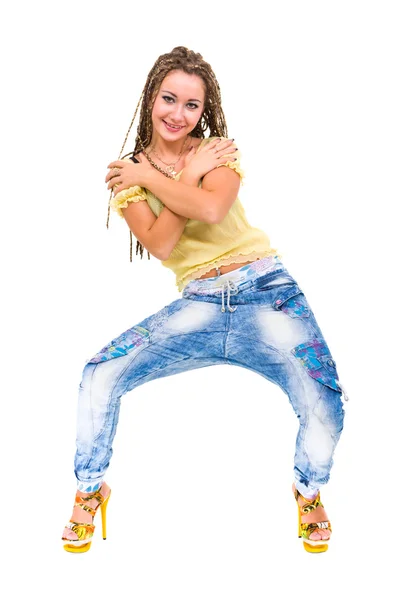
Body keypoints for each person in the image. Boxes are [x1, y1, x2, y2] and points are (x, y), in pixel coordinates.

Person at [61, 46, 348, 554]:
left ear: (204, 110)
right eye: (169, 98)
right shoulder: (126, 178)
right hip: (198, 303)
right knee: (97, 374)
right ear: (151, 96)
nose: (178, 114)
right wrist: (175, 177)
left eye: (191, 105)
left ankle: (308, 491)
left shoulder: (217, 150)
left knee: (324, 397)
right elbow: (162, 243)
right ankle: (90, 490)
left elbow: (214, 208)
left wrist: (159, 179)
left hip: (266, 291)